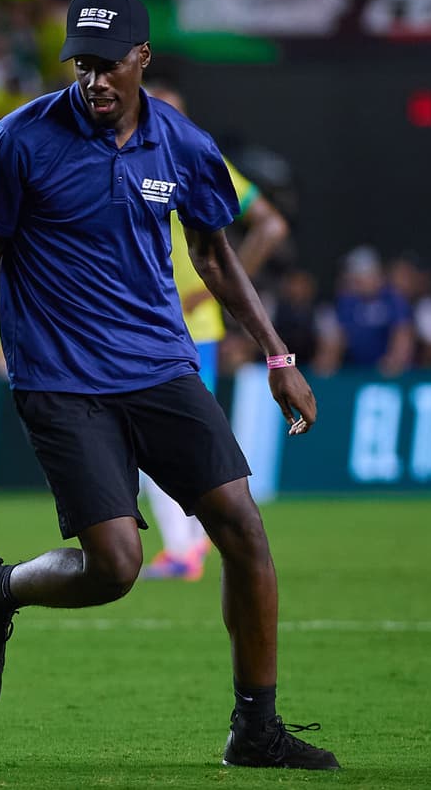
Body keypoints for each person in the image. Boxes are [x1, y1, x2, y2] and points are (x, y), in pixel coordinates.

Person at [0, 0, 339, 770]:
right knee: (116, 567)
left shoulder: (184, 145)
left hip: (159, 366)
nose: (94, 79)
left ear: (142, 58)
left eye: (108, 64)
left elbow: (215, 255)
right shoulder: (21, 138)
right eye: (82, 65)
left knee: (244, 530)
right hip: (60, 378)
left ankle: (256, 728)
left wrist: (277, 356)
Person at [139, 79, 291, 581]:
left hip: (182, 326)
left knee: (157, 437)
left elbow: (270, 225)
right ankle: (190, 541)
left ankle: (185, 548)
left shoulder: (194, 160)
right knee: (164, 437)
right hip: (150, 323)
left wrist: (214, 290)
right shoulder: (138, 160)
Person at [314, 245, 414, 376]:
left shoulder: (393, 299)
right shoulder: (347, 301)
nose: (352, 279)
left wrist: (394, 362)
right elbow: (338, 338)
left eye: (357, 276)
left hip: (388, 372)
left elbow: (403, 334)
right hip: (356, 371)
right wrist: (328, 363)